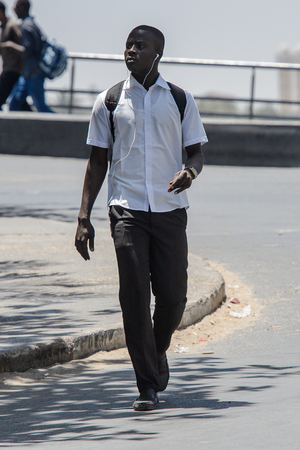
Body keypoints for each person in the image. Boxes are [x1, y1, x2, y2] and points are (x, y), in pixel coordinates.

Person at [75, 25, 208, 411]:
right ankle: (147, 385)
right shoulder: (110, 101)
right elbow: (97, 161)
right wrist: (84, 216)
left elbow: (196, 152)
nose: (131, 50)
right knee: (133, 298)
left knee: (173, 297)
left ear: (158, 54)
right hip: (126, 209)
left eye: (140, 46)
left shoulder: (180, 100)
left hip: (169, 211)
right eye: (128, 45)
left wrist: (191, 172)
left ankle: (157, 346)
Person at [9, 0, 52, 113]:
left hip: (34, 73)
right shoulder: (30, 23)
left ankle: (63, 127)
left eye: (16, 7)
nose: (14, 9)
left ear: (22, 8)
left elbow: (27, 51)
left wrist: (10, 46)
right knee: (14, 103)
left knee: (41, 107)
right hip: (27, 74)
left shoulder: (26, 26)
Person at [0, 1, 30, 110]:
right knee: (19, 103)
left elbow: (24, 47)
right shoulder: (3, 26)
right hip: (8, 69)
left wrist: (9, 45)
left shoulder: (11, 26)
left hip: (14, 70)